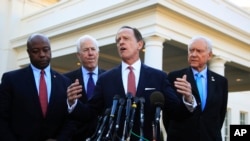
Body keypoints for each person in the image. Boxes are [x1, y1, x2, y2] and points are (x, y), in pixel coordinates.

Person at [67, 26, 196, 141]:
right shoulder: (105, 79)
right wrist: (73, 103)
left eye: (126, 38)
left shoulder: (158, 77)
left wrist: (188, 99)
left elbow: (176, 113)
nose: (121, 42)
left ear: (139, 44)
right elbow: (90, 113)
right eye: (118, 40)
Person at [0, 34, 72, 141]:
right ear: (28, 52)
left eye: (45, 50)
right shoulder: (11, 79)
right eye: (35, 51)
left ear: (50, 50)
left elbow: (70, 119)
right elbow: (2, 118)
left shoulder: (65, 82)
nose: (42, 54)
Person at [163, 36, 228, 141]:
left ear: (209, 55)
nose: (193, 54)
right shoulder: (175, 77)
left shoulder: (221, 82)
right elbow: (167, 115)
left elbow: (220, 116)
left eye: (199, 51)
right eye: (191, 50)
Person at [64, 35, 105, 141]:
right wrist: (70, 103)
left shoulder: (109, 78)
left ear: (98, 53)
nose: (90, 53)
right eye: (86, 50)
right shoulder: (66, 80)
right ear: (78, 55)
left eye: (93, 49)